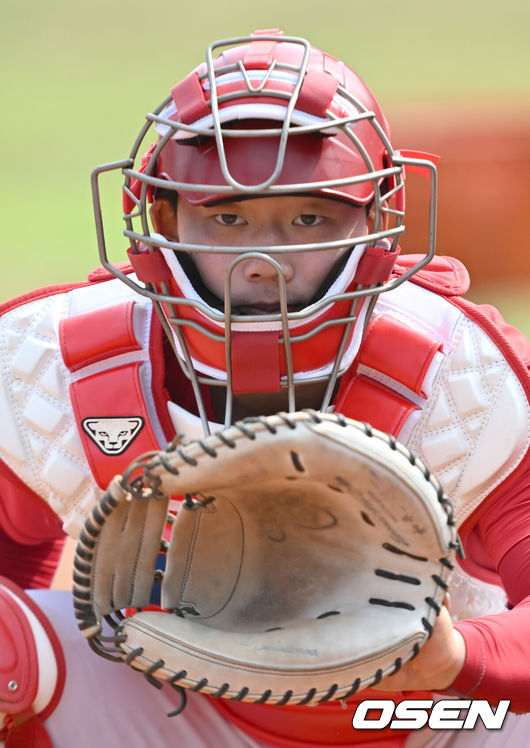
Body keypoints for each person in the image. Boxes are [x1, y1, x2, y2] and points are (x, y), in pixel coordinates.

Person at [0, 28, 529, 748]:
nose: (263, 259)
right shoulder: (54, 360)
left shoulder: (461, 373)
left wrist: (457, 658)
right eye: (226, 218)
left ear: (375, 223)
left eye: (309, 217)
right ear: (161, 218)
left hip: (428, 718)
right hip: (173, 708)